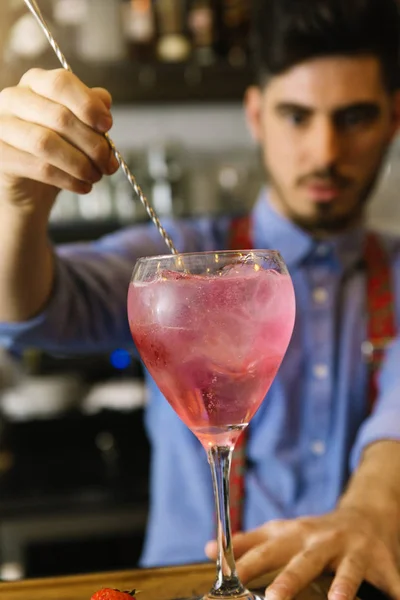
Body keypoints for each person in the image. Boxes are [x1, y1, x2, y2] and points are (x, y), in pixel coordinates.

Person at [0, 0, 400, 598]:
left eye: (354, 118)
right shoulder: (171, 264)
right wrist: (16, 205)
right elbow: (32, 311)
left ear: (394, 118)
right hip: (178, 586)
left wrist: (372, 509)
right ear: (256, 115)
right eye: (296, 116)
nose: (324, 152)